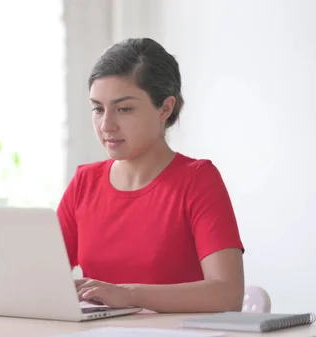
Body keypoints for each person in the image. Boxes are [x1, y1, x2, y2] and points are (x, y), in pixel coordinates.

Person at [57, 38, 245, 313]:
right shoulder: (84, 182)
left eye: (124, 109)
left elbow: (228, 294)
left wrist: (128, 294)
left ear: (165, 108)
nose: (106, 125)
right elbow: (42, 278)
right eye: (98, 108)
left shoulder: (198, 180)